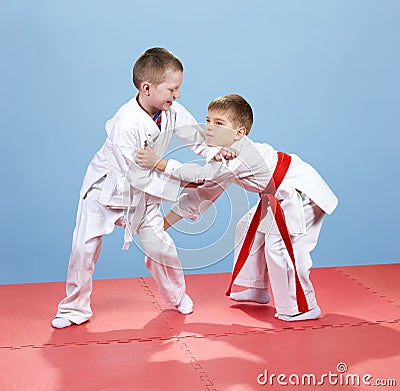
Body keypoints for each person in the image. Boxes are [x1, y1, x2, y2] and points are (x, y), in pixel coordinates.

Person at [52, 48, 229, 329]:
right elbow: (135, 176)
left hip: (144, 195)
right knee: (83, 248)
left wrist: (213, 153)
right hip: (105, 191)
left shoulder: (171, 110)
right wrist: (184, 178)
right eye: (173, 89)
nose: (178, 95)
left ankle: (176, 295)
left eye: (178, 88)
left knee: (162, 247)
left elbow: (195, 137)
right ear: (147, 88)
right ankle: (74, 308)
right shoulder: (126, 123)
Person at [135, 94, 338, 322]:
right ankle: (257, 288)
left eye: (219, 123)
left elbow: (200, 177)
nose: (209, 128)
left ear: (239, 133)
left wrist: (158, 163)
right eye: (208, 120)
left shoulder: (237, 156)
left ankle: (301, 307)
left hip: (301, 193)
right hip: (277, 195)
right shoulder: (224, 157)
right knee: (247, 227)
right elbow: (204, 193)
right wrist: (161, 225)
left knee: (279, 246)